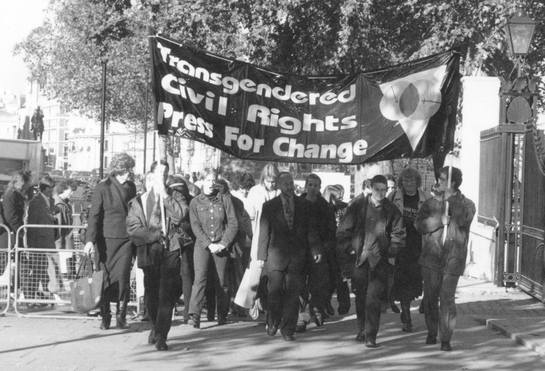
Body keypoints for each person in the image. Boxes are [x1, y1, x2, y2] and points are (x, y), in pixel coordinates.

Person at [336, 175, 405, 348]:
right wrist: (349, 249)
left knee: (373, 298)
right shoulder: (357, 206)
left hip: (380, 259)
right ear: (370, 188)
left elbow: (399, 234)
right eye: (377, 189)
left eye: (384, 190)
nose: (381, 193)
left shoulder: (392, 210)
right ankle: (361, 329)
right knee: (361, 296)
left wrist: (391, 251)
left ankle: (371, 335)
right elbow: (343, 231)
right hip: (359, 258)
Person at [415, 166, 475, 351]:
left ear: (452, 183)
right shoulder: (429, 204)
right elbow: (419, 225)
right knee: (431, 298)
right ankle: (432, 331)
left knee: (447, 298)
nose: (438, 182)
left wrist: (451, 201)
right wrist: (437, 221)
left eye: (442, 179)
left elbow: (464, 220)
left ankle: (446, 338)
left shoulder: (467, 204)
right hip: (431, 257)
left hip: (453, 258)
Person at [257, 172, 322, 342]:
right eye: (285, 183)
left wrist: (315, 250)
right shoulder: (269, 206)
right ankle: (273, 320)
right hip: (275, 256)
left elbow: (311, 230)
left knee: (293, 295)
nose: (289, 186)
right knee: (274, 292)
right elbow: (264, 232)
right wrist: (260, 256)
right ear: (279, 185)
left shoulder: (304, 205)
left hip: (297, 256)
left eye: (291, 183)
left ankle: (288, 329)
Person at [127, 168, 183, 351]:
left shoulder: (174, 196)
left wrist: (165, 196)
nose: (157, 180)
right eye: (153, 177)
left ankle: (162, 335)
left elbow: (180, 214)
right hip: (149, 251)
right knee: (151, 295)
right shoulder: (138, 201)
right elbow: (133, 229)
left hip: (170, 250)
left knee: (166, 295)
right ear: (147, 179)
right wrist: (154, 235)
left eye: (163, 176)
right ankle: (154, 325)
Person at [84, 153, 137, 330]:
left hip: (125, 241)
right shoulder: (102, 187)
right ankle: (105, 316)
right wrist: (90, 240)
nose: (129, 174)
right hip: (105, 241)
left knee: (122, 278)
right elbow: (94, 215)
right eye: (127, 170)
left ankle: (121, 316)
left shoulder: (131, 187)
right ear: (119, 170)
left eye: (130, 170)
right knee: (104, 279)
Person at [187, 169, 238, 328]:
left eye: (213, 180)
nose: (210, 184)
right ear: (201, 181)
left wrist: (223, 243)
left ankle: (222, 313)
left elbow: (233, 223)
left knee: (221, 281)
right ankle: (194, 315)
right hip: (203, 245)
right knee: (200, 279)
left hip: (221, 244)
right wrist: (208, 244)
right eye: (207, 180)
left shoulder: (225, 199)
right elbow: (195, 226)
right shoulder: (195, 202)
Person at [389, 167, 429, 332]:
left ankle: (413, 306)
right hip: (400, 245)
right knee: (402, 279)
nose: (409, 183)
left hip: (418, 244)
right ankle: (406, 313)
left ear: (417, 182)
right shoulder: (394, 197)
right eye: (405, 180)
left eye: (412, 180)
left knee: (415, 279)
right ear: (401, 182)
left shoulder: (425, 198)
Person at [297, 174, 332, 329]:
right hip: (300, 250)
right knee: (299, 284)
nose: (312, 188)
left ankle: (316, 309)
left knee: (317, 284)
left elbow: (331, 230)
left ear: (320, 187)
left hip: (319, 251)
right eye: (310, 185)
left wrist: (324, 250)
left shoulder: (325, 206)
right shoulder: (297, 203)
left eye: (315, 185)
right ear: (306, 186)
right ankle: (301, 315)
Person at [167, 175, 195, 323]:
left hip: (176, 240)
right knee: (186, 275)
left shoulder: (169, 199)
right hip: (187, 240)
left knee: (181, 275)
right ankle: (188, 312)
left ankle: (180, 309)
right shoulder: (191, 199)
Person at [25, 175, 57, 300]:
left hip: (48, 241)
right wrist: (31, 245)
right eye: (50, 188)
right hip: (38, 242)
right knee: (37, 271)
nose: (52, 190)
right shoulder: (35, 202)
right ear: (44, 188)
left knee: (46, 271)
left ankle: (47, 294)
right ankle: (29, 296)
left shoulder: (50, 201)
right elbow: (31, 224)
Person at [322, 184, 350, 315]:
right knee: (328, 279)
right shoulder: (323, 208)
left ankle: (344, 303)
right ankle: (326, 303)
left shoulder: (344, 208)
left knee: (342, 277)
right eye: (337, 197)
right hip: (327, 246)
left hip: (341, 246)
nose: (340, 199)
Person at [2, 170, 31, 246]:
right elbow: (10, 216)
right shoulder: (11, 194)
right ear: (15, 182)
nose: (24, 184)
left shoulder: (18, 195)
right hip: (11, 232)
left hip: (15, 231)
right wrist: (20, 231)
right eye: (22, 181)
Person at [54, 180, 76, 249]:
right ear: (63, 190)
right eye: (70, 191)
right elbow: (59, 227)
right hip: (62, 242)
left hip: (66, 240)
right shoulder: (59, 205)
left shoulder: (65, 204)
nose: (72, 193)